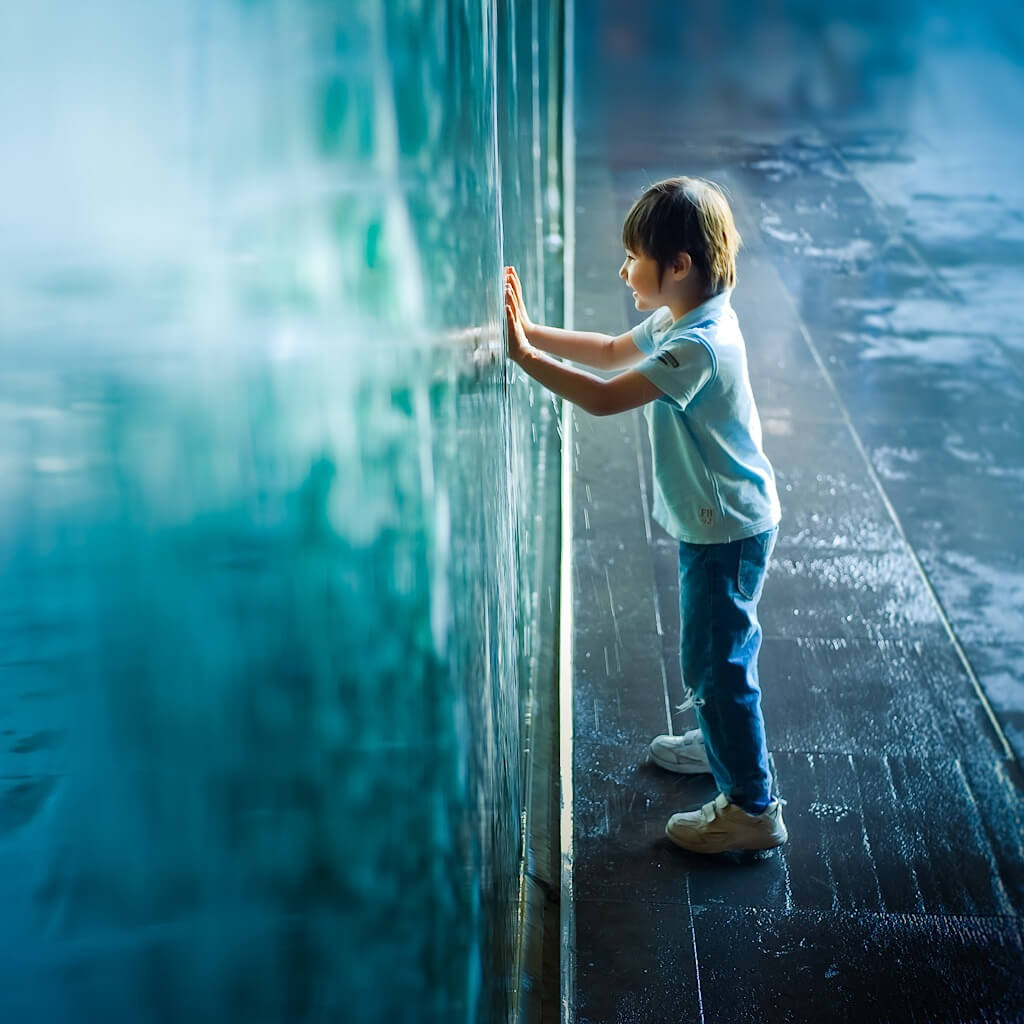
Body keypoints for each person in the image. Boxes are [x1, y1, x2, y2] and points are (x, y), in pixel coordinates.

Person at [503, 176, 786, 855]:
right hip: (719, 521)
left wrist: (524, 357)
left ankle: (752, 807)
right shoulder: (683, 316)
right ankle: (718, 740)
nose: (624, 270)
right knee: (707, 654)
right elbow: (606, 352)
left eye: (634, 256)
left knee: (720, 662)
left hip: (729, 528)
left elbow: (603, 397)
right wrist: (529, 330)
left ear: (679, 265)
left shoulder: (699, 345)